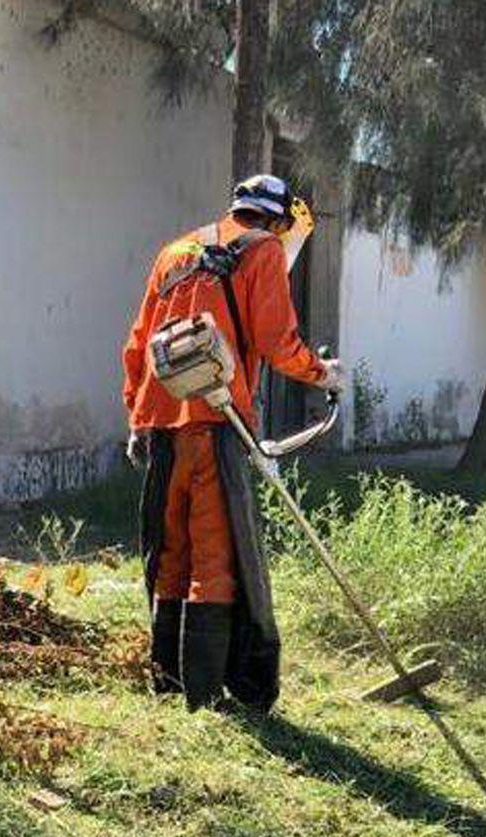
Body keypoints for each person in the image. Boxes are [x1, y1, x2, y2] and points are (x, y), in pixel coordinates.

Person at [121, 174, 340, 712]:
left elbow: (137, 343)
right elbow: (276, 340)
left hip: (159, 422)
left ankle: (166, 680)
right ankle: (203, 690)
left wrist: (135, 415)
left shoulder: (175, 252)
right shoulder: (263, 252)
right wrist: (322, 375)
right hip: (216, 422)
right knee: (214, 555)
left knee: (170, 548)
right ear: (276, 220)